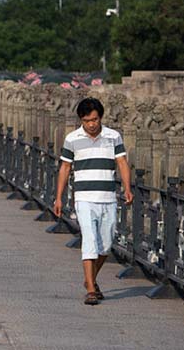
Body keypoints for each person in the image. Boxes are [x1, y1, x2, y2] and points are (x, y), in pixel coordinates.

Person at [54, 97, 133, 305]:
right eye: (87, 120)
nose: (91, 124)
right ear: (81, 120)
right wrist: (59, 197)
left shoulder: (113, 136)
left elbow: (122, 162)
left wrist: (127, 187)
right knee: (89, 240)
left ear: (101, 118)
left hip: (108, 197)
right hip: (84, 197)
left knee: (105, 245)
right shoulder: (73, 138)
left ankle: (90, 278)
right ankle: (90, 289)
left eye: (95, 119)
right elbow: (65, 168)